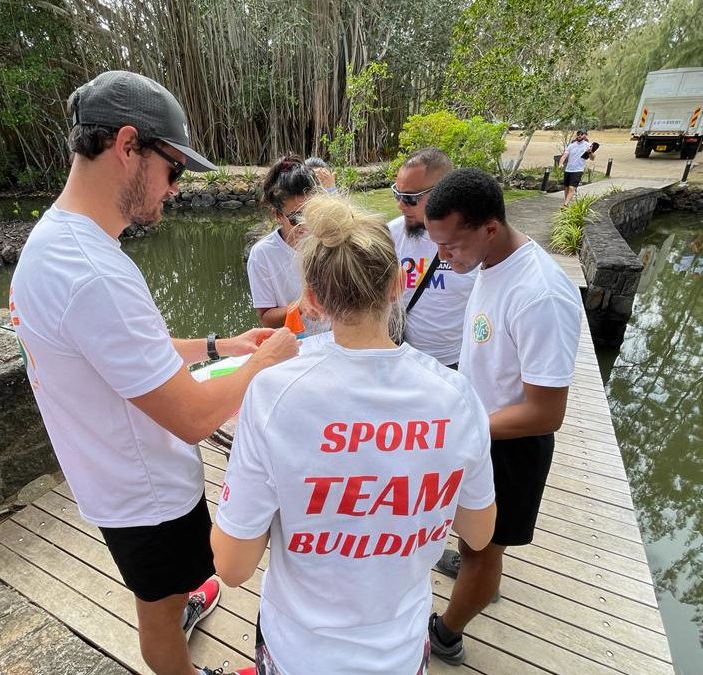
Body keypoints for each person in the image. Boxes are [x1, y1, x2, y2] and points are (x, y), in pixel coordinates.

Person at [9, 70, 297, 675]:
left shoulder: (53, 243)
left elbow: (126, 349)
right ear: (128, 145)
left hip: (107, 475)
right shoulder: (96, 273)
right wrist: (267, 358)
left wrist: (222, 345)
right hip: (146, 494)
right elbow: (192, 418)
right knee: (157, 617)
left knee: (167, 589)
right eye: (174, 169)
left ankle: (180, 597)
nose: (174, 188)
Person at [211, 193, 497, 674]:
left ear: (314, 299)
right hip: (401, 652)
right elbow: (478, 530)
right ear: (394, 286)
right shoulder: (456, 396)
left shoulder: (274, 394)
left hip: (298, 652)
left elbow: (232, 567)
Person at [423, 168, 582, 665]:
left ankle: (447, 632)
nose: (441, 257)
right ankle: (475, 566)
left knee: (485, 551)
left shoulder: (541, 294)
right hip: (480, 433)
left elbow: (546, 412)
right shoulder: (490, 264)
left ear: (489, 228)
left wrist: (463, 426)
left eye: (451, 246)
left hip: (510, 446)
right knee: (475, 537)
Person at [388, 148, 476, 367]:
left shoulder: (474, 243)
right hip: (402, 357)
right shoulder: (391, 235)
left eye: (410, 198)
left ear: (444, 193)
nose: (400, 205)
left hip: (453, 363)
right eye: (397, 194)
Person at [246, 156, 330, 335]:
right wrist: (300, 306)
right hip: (294, 344)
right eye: (296, 217)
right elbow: (266, 317)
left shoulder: (329, 240)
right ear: (277, 215)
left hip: (334, 338)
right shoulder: (263, 254)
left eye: (312, 213)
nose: (305, 224)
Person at [559, 129, 595, 207]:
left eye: (581, 134)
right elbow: (564, 156)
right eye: (578, 134)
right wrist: (560, 163)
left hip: (578, 170)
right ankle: (567, 204)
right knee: (567, 188)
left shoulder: (588, 145)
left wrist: (590, 152)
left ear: (585, 135)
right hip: (568, 169)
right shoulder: (571, 145)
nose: (579, 135)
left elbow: (592, 158)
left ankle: (565, 205)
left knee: (572, 188)